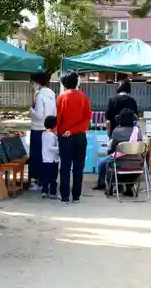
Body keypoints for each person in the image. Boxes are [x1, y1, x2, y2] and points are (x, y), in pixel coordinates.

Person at [57, 71, 91, 203]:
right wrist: (75, 129)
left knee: (65, 167)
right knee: (78, 167)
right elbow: (87, 118)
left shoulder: (61, 97)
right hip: (80, 136)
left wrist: (61, 132)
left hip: (65, 136)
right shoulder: (83, 96)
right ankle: (76, 195)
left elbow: (59, 118)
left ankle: (64, 196)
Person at [92, 108, 143, 191]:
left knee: (102, 163)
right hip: (137, 163)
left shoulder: (117, 131)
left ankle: (104, 184)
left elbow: (112, 149)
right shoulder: (138, 131)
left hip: (120, 163)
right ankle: (129, 186)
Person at [29, 72, 56, 188]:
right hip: (49, 128)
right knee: (46, 155)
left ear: (36, 83)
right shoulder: (51, 94)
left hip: (37, 128)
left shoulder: (40, 96)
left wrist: (31, 110)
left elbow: (39, 114)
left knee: (37, 155)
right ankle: (45, 179)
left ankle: (37, 179)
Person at [41, 116, 59, 199]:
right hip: (51, 160)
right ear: (54, 125)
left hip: (46, 159)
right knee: (53, 178)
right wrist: (60, 148)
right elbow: (50, 147)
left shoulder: (44, 133)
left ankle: (44, 191)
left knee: (46, 177)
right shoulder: (50, 135)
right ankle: (53, 193)